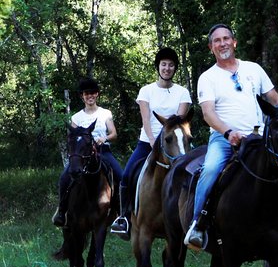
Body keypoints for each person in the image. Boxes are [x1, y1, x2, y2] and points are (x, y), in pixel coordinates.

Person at [184, 23, 278, 252]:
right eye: (217, 41)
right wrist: (228, 132)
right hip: (224, 139)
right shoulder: (207, 78)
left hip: (258, 138)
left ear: (234, 42)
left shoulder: (253, 69)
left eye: (226, 38)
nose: (222, 43)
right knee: (209, 169)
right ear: (211, 48)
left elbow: (274, 99)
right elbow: (208, 114)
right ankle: (198, 225)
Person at [110, 47, 192, 238]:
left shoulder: (182, 92)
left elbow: (178, 122)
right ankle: (124, 218)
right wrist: (154, 141)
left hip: (174, 143)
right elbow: (146, 120)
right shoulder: (146, 91)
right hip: (148, 142)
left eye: (171, 65)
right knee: (127, 175)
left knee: (194, 172)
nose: (167, 68)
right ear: (158, 67)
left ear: (175, 69)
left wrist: (167, 141)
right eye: (164, 64)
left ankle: (194, 220)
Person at [53, 78, 123, 227]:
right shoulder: (76, 117)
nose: (90, 96)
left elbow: (114, 134)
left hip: (103, 152)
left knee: (121, 176)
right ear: (82, 96)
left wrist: (104, 138)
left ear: (97, 94)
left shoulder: (105, 113)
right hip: (82, 157)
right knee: (64, 177)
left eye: (92, 93)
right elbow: (71, 137)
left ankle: (122, 214)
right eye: (86, 94)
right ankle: (61, 211)